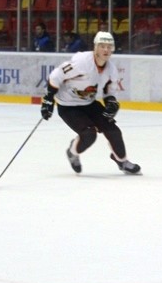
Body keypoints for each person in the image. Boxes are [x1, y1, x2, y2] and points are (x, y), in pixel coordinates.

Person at [40, 31, 141, 175]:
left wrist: (111, 102)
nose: (106, 50)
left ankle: (122, 161)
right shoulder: (81, 62)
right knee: (89, 135)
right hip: (68, 106)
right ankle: (72, 152)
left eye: (109, 47)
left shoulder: (111, 69)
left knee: (113, 131)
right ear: (95, 47)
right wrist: (48, 99)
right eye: (102, 46)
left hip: (89, 103)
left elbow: (109, 91)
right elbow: (56, 76)